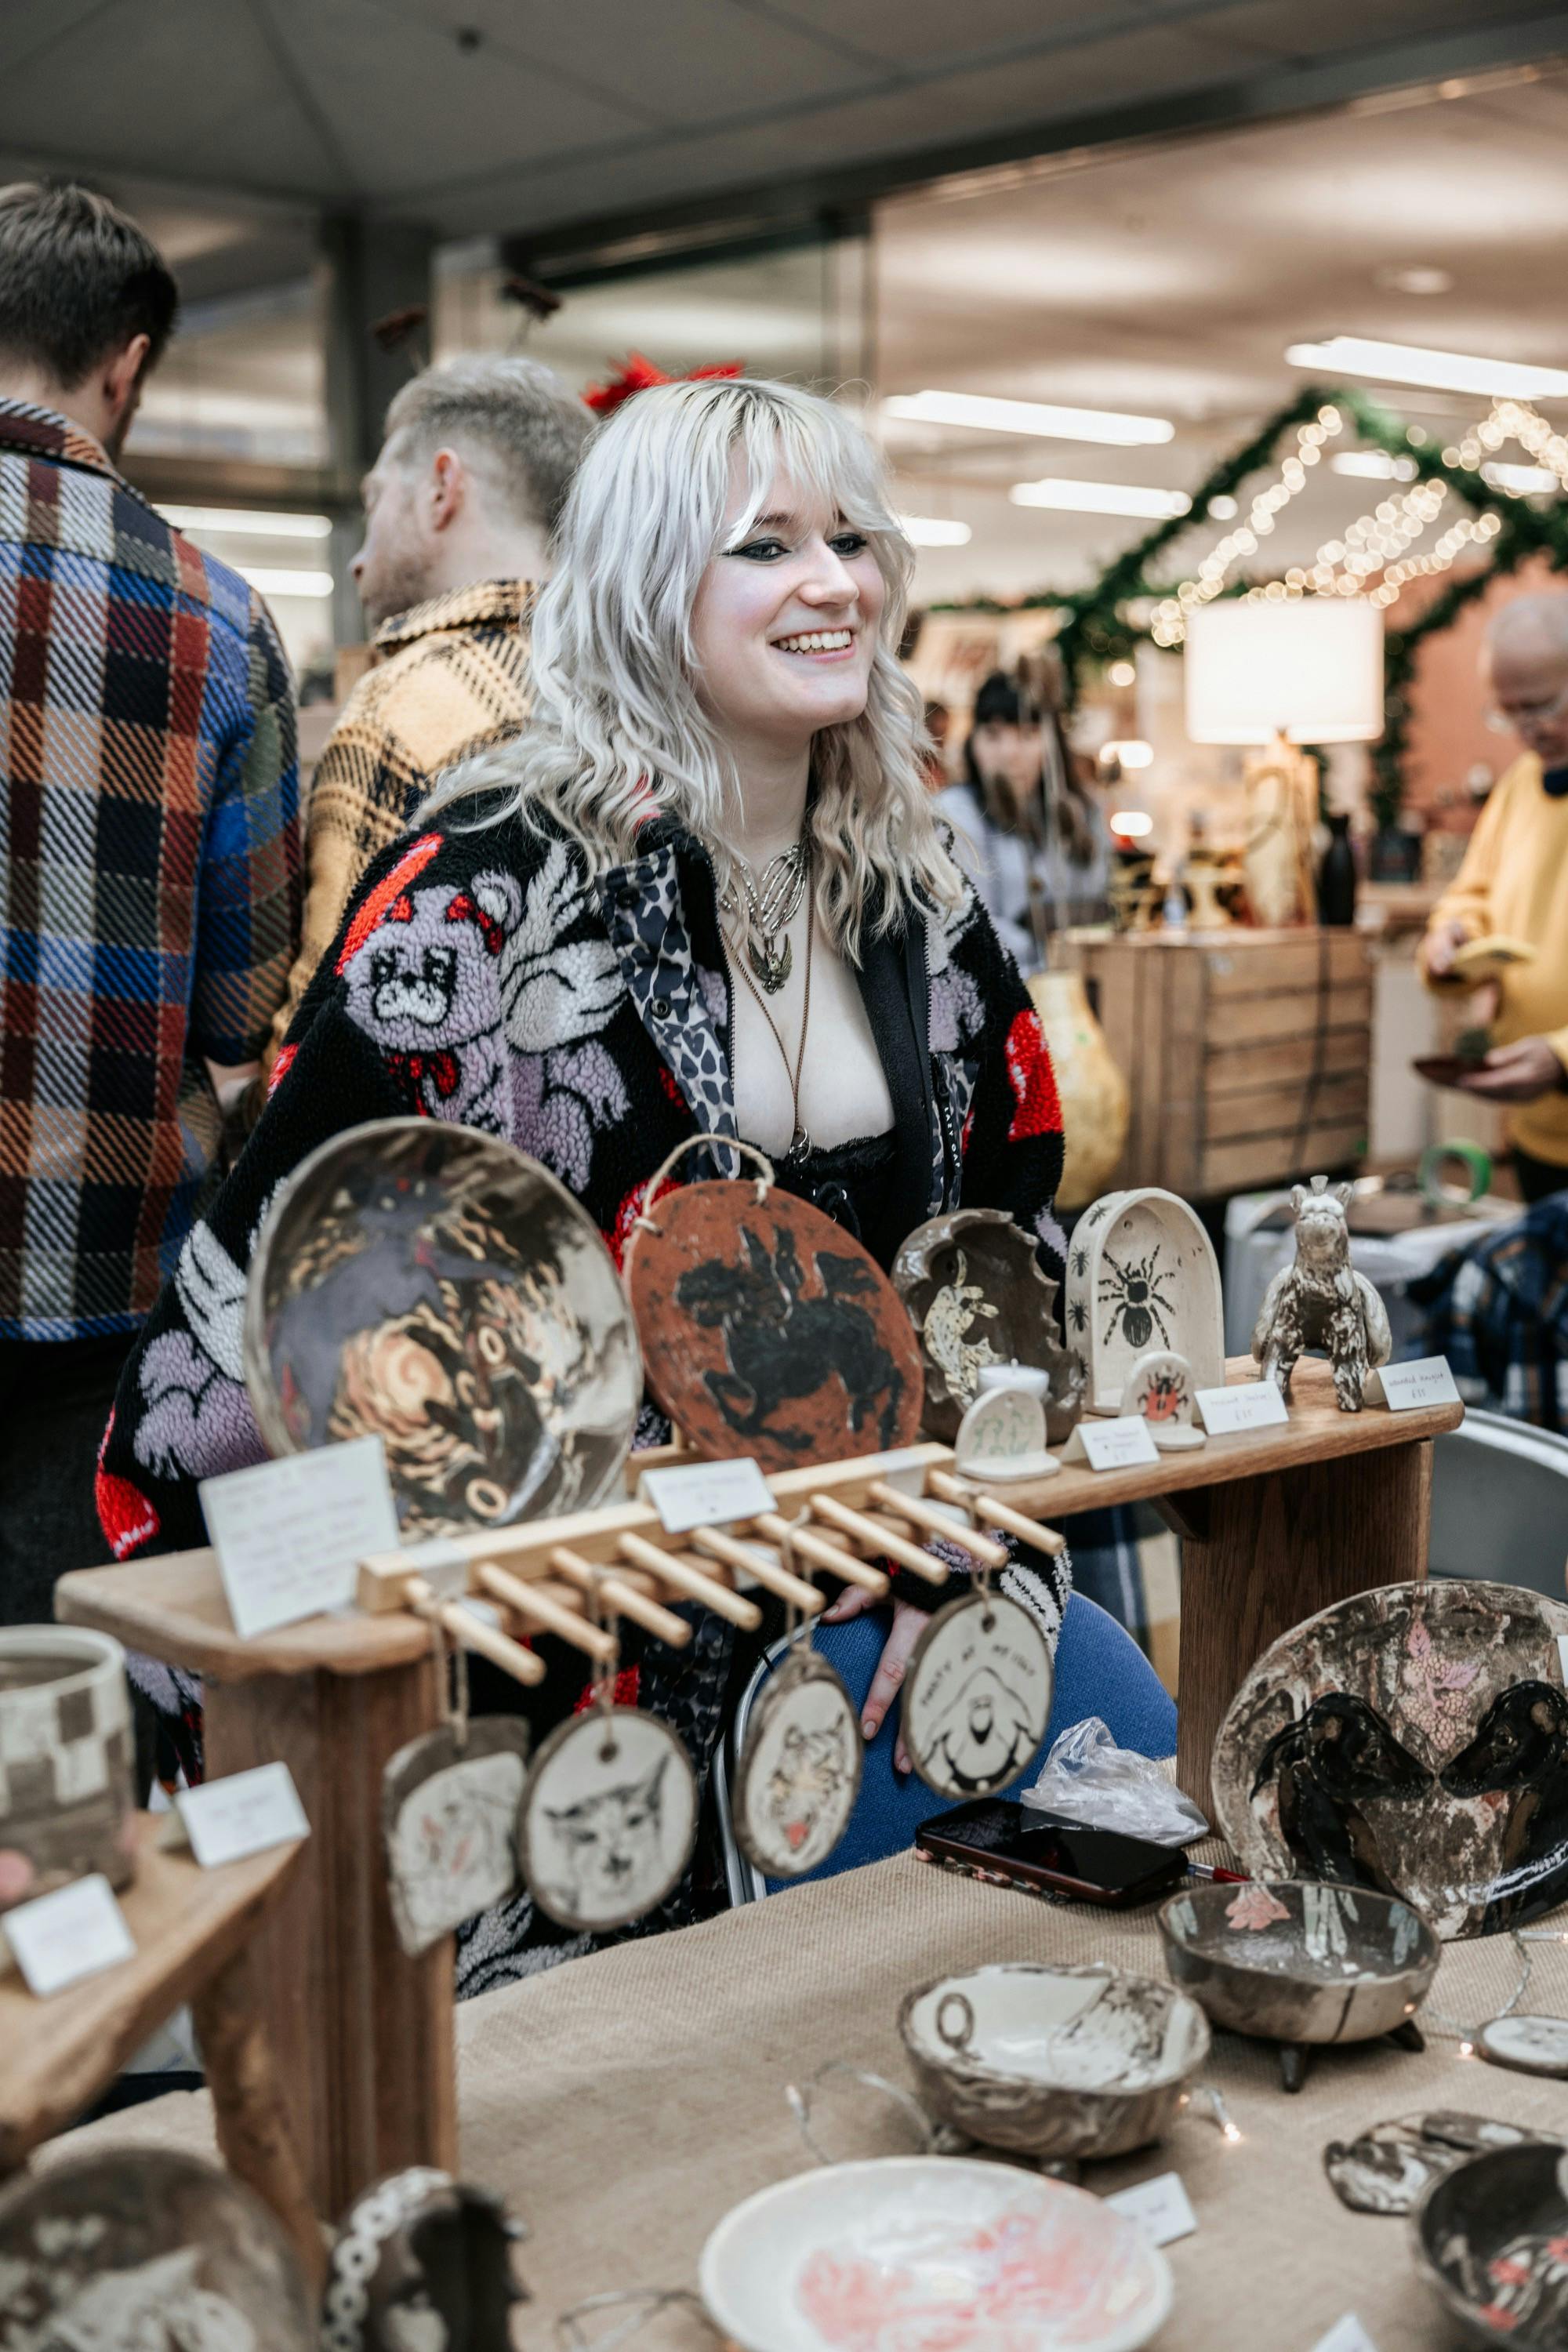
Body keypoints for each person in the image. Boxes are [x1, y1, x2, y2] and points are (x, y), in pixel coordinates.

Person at [98, 376, 1074, 1981]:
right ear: (639, 580)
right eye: (766, 545)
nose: (832, 582)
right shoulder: (489, 888)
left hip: (863, 1626)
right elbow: (286, 1284)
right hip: (563, 1656)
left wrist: (968, 1533)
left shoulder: (918, 896)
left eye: (851, 540)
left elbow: (1007, 1248)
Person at [0, 181, 299, 1624]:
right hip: (95, 1271)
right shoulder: (216, 615)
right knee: (55, 1693)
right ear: (125, 367)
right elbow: (244, 999)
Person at [263, 355, 592, 1069]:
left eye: (375, 498)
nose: (359, 559)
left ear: (443, 487)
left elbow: (322, 1025)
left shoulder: (403, 706)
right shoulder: (632, 686)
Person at [1421, 593, 1568, 1203]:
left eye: (1541, 705)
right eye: (1508, 712)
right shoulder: (1519, 787)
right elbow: (1471, 896)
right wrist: (1450, 937)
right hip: (1539, 1130)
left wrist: (1562, 1057)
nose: (1528, 729)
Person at [935, 661, 1109, 973]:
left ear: (1051, 743)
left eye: (1027, 735)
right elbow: (970, 926)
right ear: (973, 742)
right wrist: (1048, 947)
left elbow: (1099, 907)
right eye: (993, 735)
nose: (1010, 753)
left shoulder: (1080, 811)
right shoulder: (956, 814)